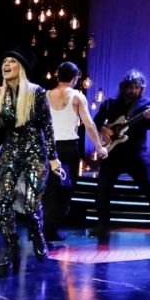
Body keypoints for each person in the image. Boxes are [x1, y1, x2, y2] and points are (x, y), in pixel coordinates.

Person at [0, 48, 63, 271]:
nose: (6, 64)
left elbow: (47, 126)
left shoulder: (36, 92)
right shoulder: (2, 94)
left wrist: (53, 158)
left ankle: (37, 233)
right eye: (4, 61)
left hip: (35, 150)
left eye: (12, 61)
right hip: (10, 148)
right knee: (3, 201)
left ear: (21, 68)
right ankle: (11, 246)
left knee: (30, 205)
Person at [92, 69, 150, 243]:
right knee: (103, 190)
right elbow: (96, 122)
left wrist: (149, 117)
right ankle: (103, 225)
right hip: (112, 154)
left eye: (137, 88)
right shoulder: (110, 104)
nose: (134, 91)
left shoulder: (146, 104)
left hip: (136, 154)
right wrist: (103, 128)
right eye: (131, 87)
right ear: (124, 87)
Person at [44, 61, 96, 241]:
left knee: (50, 189)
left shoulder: (46, 95)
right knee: (64, 188)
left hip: (48, 149)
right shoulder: (77, 97)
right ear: (74, 78)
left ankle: (46, 228)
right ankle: (50, 229)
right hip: (66, 151)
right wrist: (99, 146)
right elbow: (89, 124)